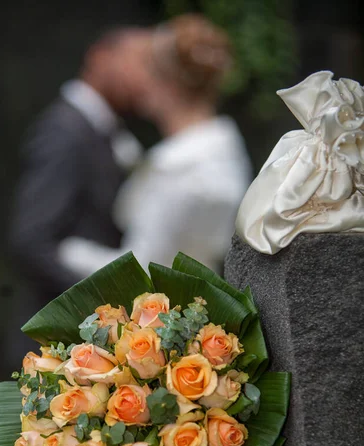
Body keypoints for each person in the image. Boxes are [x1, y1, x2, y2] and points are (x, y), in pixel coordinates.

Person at [58, 14, 252, 275]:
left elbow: (141, 270)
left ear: (161, 82)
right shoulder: (228, 151)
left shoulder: (178, 169)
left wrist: (68, 252)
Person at [6, 28, 149, 364]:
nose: (142, 77)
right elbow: (31, 240)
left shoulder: (103, 128)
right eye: (137, 62)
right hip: (51, 350)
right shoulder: (65, 131)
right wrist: (102, 306)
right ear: (100, 56)